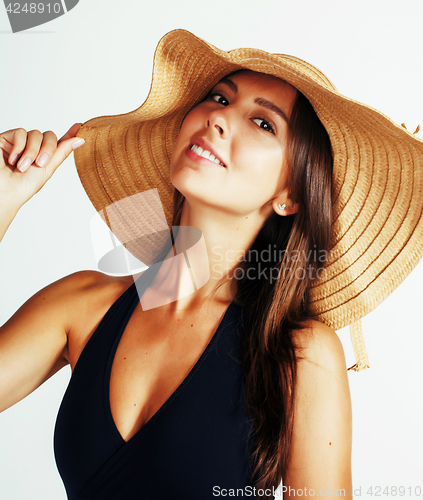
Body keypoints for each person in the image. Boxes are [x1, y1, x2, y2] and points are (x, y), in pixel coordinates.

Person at [1, 29, 422, 500]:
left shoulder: (301, 356)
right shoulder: (82, 305)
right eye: (219, 97)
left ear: (291, 196)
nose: (220, 118)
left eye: (264, 124)